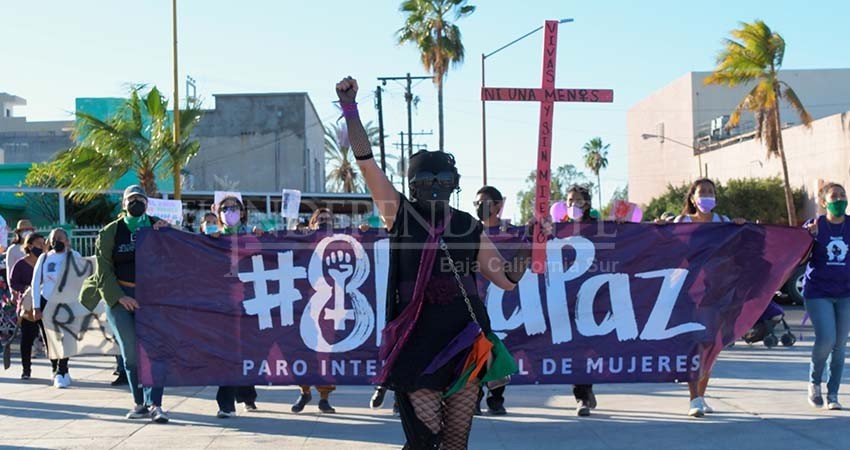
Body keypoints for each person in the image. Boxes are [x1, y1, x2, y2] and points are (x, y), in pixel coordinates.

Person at [336, 76, 548, 449]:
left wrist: (531, 242)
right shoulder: (398, 214)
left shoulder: (468, 225)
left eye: (443, 177)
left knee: (455, 442)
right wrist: (351, 108)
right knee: (424, 439)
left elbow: (506, 281)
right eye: (426, 178)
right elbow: (366, 162)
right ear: (412, 183)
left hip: (464, 340)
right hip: (415, 343)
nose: (435, 184)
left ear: (455, 182)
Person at [80, 185, 171, 423]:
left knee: (154, 352)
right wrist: (121, 297)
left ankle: (156, 404)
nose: (136, 202)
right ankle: (139, 403)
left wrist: (170, 233)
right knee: (131, 354)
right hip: (120, 298)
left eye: (140, 199)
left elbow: (176, 255)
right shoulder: (110, 232)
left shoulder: (157, 226)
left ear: (147, 203)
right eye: (131, 199)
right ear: (123, 204)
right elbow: (103, 270)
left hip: (152, 299)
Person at [672, 178, 745, 417]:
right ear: (692, 198)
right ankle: (694, 398)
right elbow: (663, 244)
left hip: (717, 292)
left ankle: (701, 396)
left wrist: (741, 228)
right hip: (689, 292)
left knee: (711, 347)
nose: (706, 196)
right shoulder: (681, 222)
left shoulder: (723, 222)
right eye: (701, 192)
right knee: (696, 344)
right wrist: (660, 226)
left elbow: (738, 249)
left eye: (710, 192)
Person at [208, 195, 260, 417]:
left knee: (245, 351)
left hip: (250, 303)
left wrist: (259, 238)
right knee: (228, 352)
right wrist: (209, 239)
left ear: (243, 212)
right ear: (217, 213)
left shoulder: (251, 236)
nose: (230, 211)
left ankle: (247, 395)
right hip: (223, 306)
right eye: (225, 208)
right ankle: (226, 403)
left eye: (235, 208)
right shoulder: (212, 237)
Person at [803, 182, 850, 411]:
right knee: (827, 339)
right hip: (818, 292)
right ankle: (814, 382)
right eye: (834, 196)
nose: (840, 199)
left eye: (843, 195)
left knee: (840, 345)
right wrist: (808, 238)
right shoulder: (815, 225)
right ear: (824, 203)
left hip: (846, 293)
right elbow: (797, 255)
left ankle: (833, 394)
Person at [560, 185, 601, 417]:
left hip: (593, 296)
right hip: (566, 296)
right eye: (568, 201)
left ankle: (585, 390)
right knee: (574, 347)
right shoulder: (559, 228)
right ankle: (581, 396)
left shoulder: (598, 228)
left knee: (589, 347)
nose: (572, 205)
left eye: (576, 200)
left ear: (586, 203)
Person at [291, 208, 337, 414]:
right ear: (312, 223)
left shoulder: (339, 243)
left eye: (328, 220)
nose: (324, 223)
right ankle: (304, 391)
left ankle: (324, 397)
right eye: (320, 220)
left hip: (330, 305)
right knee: (302, 349)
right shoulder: (302, 241)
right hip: (304, 304)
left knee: (325, 352)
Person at [473, 185, 509, 416]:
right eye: (476, 203)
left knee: (500, 349)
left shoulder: (511, 232)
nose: (478, 207)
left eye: (484, 202)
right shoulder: (468, 231)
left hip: (505, 302)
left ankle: (496, 399)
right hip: (475, 300)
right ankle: (473, 398)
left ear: (497, 206)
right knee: (475, 349)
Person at [31, 228, 80, 388]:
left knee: (66, 338)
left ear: (67, 240)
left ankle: (62, 370)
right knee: (50, 340)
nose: (56, 240)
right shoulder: (44, 258)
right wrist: (36, 307)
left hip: (67, 303)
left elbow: (83, 277)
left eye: (60, 237)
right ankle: (56, 371)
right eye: (53, 238)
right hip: (47, 303)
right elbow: (35, 283)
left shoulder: (74, 256)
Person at [9, 232, 47, 380]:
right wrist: (26, 288)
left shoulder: (46, 262)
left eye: (43, 243)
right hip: (28, 306)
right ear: (29, 246)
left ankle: (58, 368)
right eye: (39, 244)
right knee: (27, 339)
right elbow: (13, 282)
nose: (42, 247)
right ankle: (26, 369)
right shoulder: (21, 264)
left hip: (45, 304)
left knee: (49, 337)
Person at [6, 220, 36, 285]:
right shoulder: (12, 249)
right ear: (19, 233)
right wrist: (13, 291)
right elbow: (10, 270)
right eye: (24, 230)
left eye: (29, 229)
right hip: (21, 285)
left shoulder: (36, 246)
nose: (27, 232)